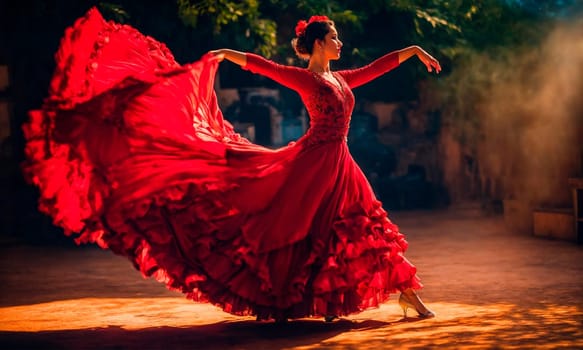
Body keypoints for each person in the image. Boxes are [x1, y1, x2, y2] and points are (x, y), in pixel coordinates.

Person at [23, 8, 439, 323]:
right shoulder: (306, 79)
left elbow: (376, 67)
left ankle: (405, 292)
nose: (340, 44)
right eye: (334, 38)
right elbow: (266, 67)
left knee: (364, 223)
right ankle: (335, 298)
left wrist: (415, 51)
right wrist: (226, 54)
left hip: (339, 162)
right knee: (307, 229)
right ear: (317, 45)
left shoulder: (342, 78)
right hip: (312, 163)